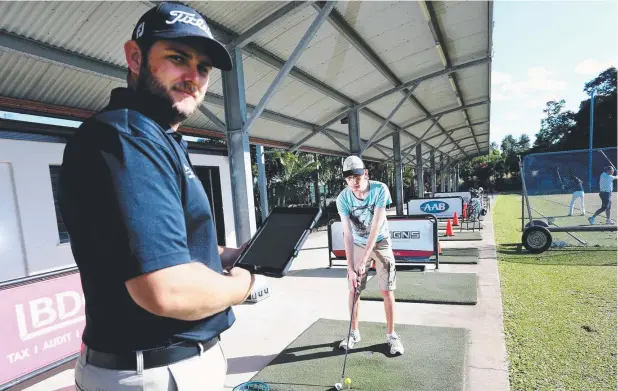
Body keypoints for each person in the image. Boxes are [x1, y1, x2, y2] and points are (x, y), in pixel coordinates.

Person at [58, 3, 255, 390]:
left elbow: (150, 246)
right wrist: (243, 283)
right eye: (178, 58)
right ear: (135, 57)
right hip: (155, 374)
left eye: (203, 68)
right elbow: (166, 289)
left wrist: (221, 255)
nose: (193, 76)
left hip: (156, 367)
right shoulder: (127, 137)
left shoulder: (153, 136)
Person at [335, 155, 404, 355]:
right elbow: (347, 234)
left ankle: (392, 335)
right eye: (348, 179)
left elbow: (375, 227)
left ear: (365, 174)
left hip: (380, 241)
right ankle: (354, 333)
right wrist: (350, 268)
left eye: (356, 177)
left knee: (387, 290)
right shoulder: (343, 199)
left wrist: (365, 260)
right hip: (357, 243)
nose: (353, 183)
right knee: (354, 290)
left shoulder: (380, 189)